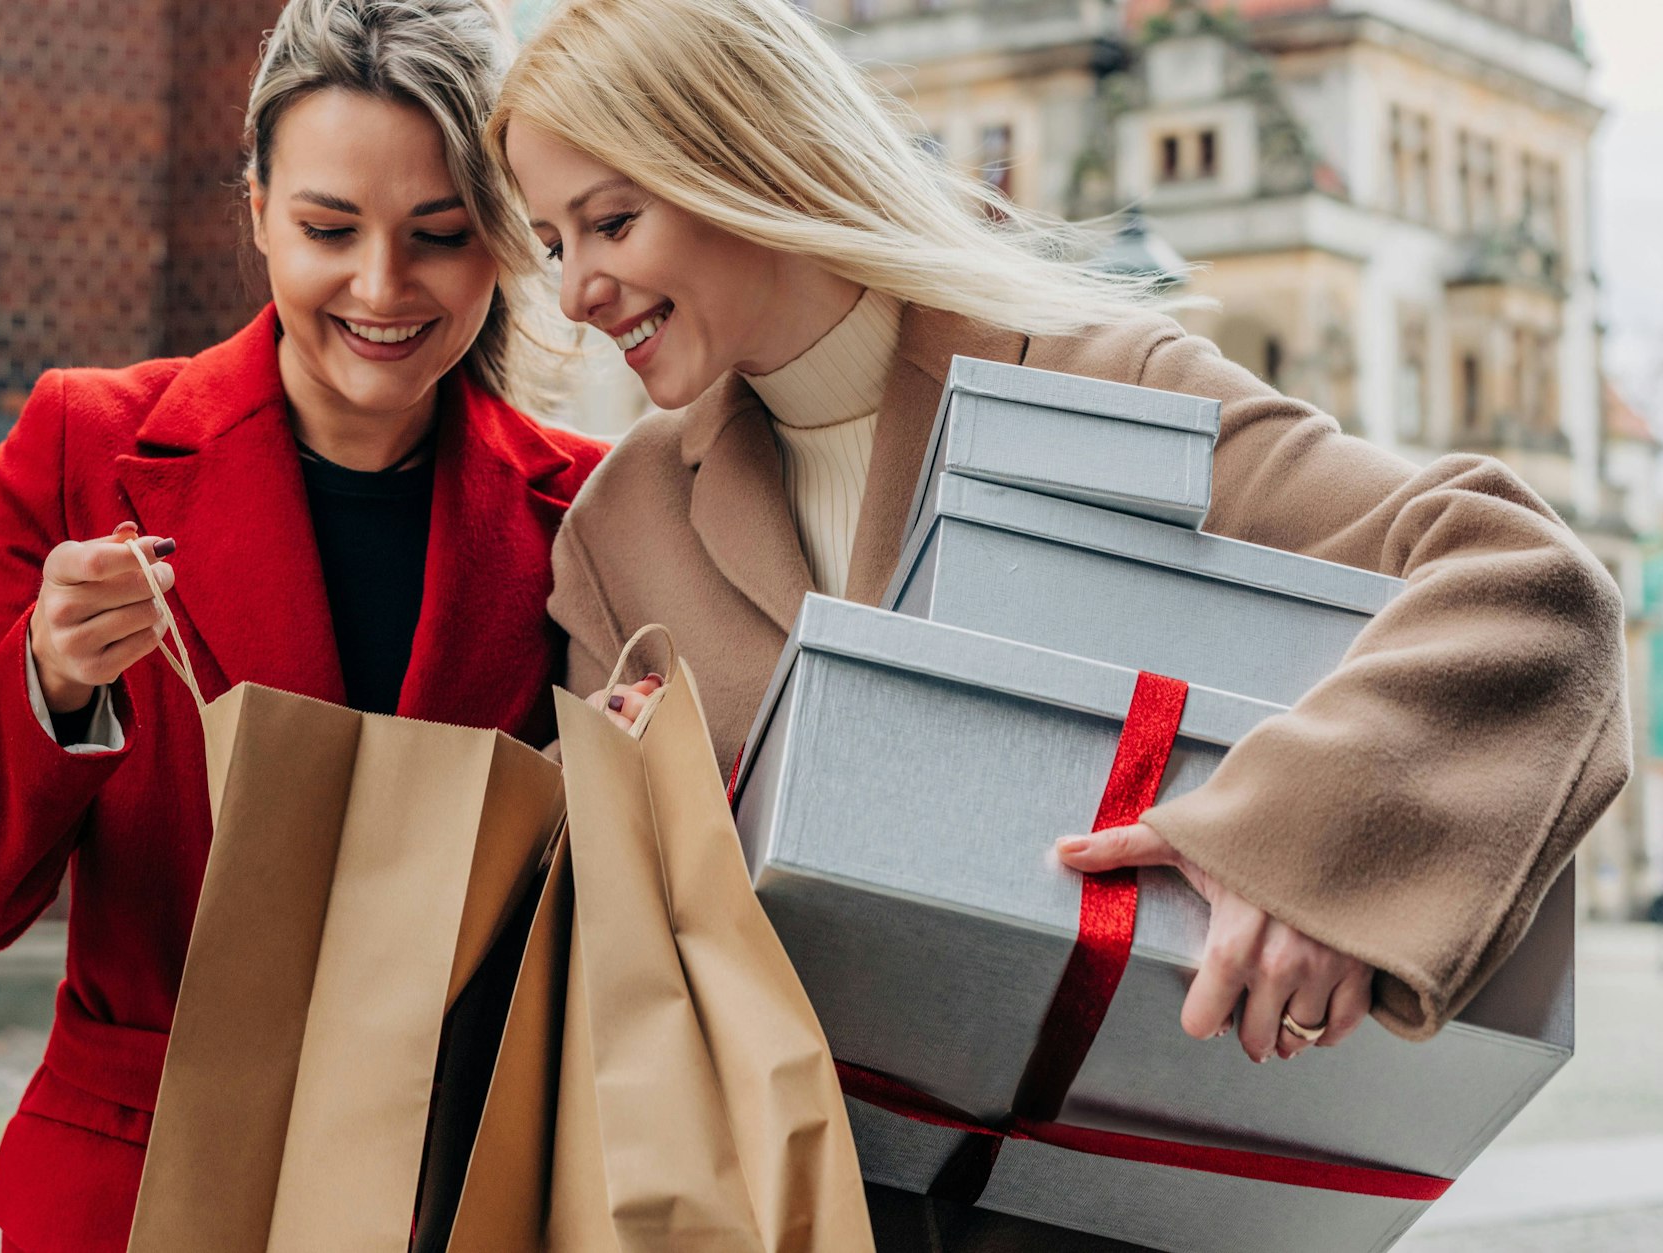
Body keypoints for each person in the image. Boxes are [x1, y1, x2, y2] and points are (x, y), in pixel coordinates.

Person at [494, 0, 1626, 1106]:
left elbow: (1529, 584)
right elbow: (597, 951)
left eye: (610, 222)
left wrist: (1299, 841)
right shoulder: (616, 526)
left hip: (1125, 1178)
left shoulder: (1101, 378)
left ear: (739, 160)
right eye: (551, 243)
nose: (576, 291)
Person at [0, 3, 603, 1248]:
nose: (381, 288)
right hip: (139, 1192)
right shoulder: (85, 446)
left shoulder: (583, 512)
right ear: (259, 205)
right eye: (330, 228)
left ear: (506, 241)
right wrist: (50, 680)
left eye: (439, 235)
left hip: (445, 1200)